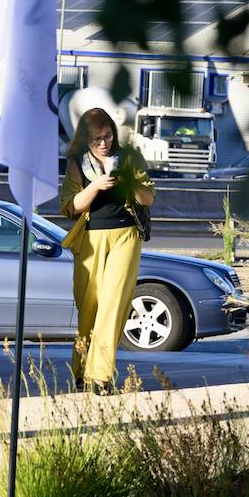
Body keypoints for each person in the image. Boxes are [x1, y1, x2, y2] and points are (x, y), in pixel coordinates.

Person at [58, 107, 155, 392]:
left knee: (113, 306)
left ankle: (99, 377)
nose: (103, 143)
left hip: (126, 235)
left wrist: (127, 180)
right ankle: (81, 371)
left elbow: (148, 198)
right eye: (97, 139)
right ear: (85, 139)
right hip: (90, 238)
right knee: (89, 309)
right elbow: (71, 207)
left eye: (108, 136)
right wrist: (97, 185)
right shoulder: (77, 163)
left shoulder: (129, 158)